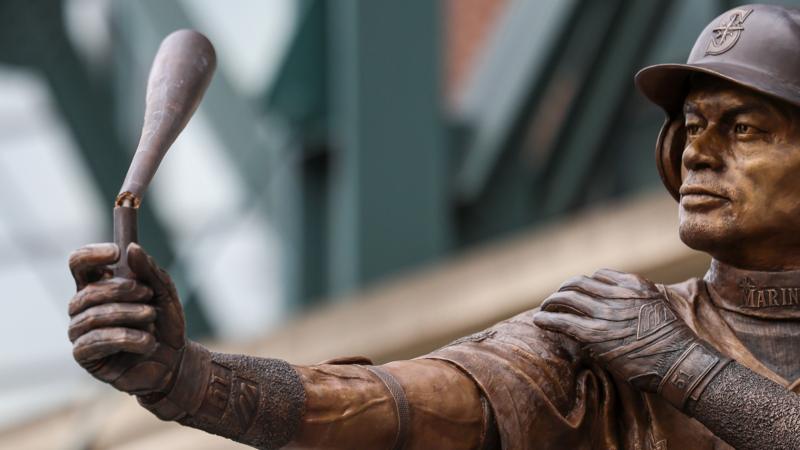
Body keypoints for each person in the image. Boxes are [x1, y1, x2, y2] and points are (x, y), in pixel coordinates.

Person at [67, 4, 800, 449]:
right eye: (693, 126)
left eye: (742, 129)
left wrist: (683, 367)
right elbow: (397, 406)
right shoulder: (619, 330)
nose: (698, 152)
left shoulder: (650, 344)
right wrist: (189, 377)